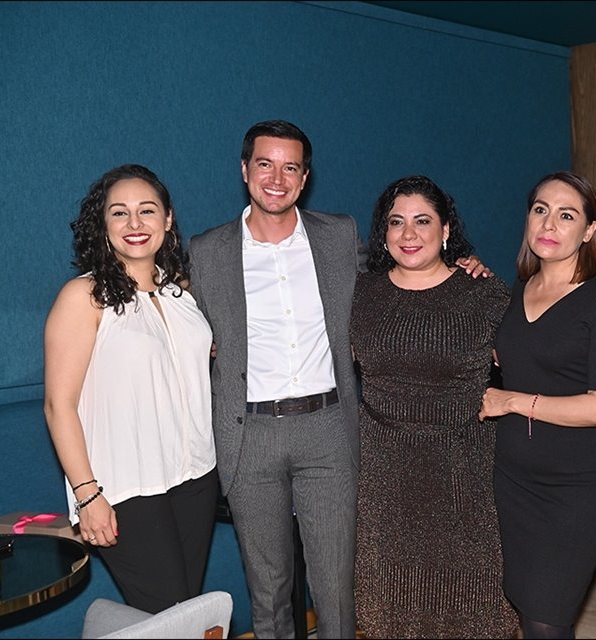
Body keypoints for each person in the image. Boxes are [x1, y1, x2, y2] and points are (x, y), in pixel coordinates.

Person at [187, 120, 490, 639]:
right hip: (249, 436)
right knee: (269, 589)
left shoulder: (338, 235)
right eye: (265, 164)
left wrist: (463, 266)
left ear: (305, 178)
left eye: (291, 167)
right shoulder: (206, 251)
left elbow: (403, 275)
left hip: (328, 430)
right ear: (245, 171)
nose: (277, 178)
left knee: (336, 589)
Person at [44, 164, 219, 614]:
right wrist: (87, 496)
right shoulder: (84, 297)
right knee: (175, 617)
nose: (135, 224)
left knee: (182, 615)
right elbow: (57, 406)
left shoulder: (182, 295)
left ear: (168, 219)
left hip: (195, 479)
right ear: (103, 226)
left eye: (147, 210)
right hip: (125, 489)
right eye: (120, 213)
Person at [350, 175, 518, 638]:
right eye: (396, 222)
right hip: (385, 479)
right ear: (382, 234)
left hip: (465, 477)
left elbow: (532, 366)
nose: (408, 234)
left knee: (474, 605)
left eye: (422, 221)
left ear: (446, 230)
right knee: (390, 608)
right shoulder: (360, 295)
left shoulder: (485, 293)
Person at [479, 171, 596, 639]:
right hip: (513, 479)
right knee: (527, 607)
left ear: (589, 231)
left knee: (548, 616)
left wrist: (511, 401)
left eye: (567, 215)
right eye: (540, 209)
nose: (549, 223)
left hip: (575, 488)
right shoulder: (515, 293)